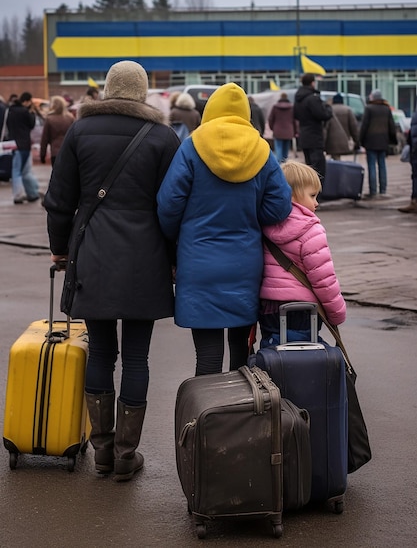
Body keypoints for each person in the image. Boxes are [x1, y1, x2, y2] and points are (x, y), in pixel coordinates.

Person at [43, 60, 180, 482]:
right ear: (142, 93)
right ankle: (126, 455)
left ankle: (102, 451)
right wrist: (173, 256)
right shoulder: (163, 137)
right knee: (137, 356)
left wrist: (61, 251)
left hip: (94, 254)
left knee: (101, 352)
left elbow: (59, 200)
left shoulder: (81, 132)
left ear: (106, 90)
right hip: (146, 258)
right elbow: (173, 205)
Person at [157, 82, 292, 377]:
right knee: (241, 353)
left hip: (198, 262)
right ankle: (241, 418)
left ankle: (208, 420)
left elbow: (168, 206)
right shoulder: (261, 150)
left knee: (207, 356)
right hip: (245, 264)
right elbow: (280, 207)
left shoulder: (192, 147)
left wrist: (178, 237)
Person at [259, 160, 346, 347]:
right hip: (303, 309)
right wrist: (336, 313)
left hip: (269, 307)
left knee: (274, 356)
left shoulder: (264, 224)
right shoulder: (311, 230)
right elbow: (323, 279)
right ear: (292, 195)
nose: (316, 203)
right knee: (305, 360)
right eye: (312, 195)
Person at [293, 73, 333, 181]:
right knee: (319, 169)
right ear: (312, 83)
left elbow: (295, 115)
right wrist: (328, 108)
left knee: (309, 168)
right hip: (315, 137)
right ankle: (319, 195)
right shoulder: (312, 99)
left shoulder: (298, 99)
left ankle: (310, 195)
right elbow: (323, 115)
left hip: (304, 136)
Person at [360, 89, 397, 198]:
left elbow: (364, 126)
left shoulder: (369, 108)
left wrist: (360, 140)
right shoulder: (386, 109)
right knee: (382, 165)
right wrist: (393, 140)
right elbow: (391, 126)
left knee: (371, 166)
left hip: (371, 142)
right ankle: (383, 190)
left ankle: (373, 191)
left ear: (374, 97)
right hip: (383, 141)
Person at [6, 92, 40, 204]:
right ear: (27, 101)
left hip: (13, 144)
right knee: (22, 171)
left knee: (18, 170)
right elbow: (31, 124)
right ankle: (25, 194)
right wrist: (32, 112)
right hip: (24, 144)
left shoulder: (10, 110)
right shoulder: (25, 112)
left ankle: (28, 193)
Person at [40, 95, 75, 166]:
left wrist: (42, 155)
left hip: (55, 152)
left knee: (57, 175)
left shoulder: (50, 119)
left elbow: (44, 139)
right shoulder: (70, 118)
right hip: (69, 152)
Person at [398, 104, 417, 213]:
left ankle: (414, 202)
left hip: (415, 148)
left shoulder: (414, 115)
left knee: (415, 176)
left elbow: (411, 134)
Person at [268, 92, 297, 162]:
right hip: (289, 131)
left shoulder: (275, 107)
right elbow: (295, 120)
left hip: (277, 131)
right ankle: (285, 164)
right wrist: (295, 131)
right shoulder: (292, 107)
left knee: (278, 149)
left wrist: (273, 128)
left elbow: (270, 119)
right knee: (286, 150)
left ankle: (279, 165)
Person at [331, 93, 360, 157]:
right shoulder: (348, 110)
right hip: (345, 141)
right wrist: (357, 141)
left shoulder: (330, 109)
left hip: (331, 142)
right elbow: (354, 127)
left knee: (334, 159)